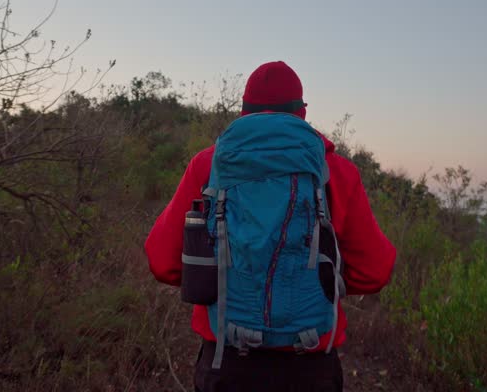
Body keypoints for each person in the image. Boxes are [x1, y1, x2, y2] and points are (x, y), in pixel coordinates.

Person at [145, 61, 396, 392]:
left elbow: (163, 261)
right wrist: (314, 281)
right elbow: (374, 271)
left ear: (243, 112)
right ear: (302, 113)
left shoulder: (209, 165)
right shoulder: (336, 172)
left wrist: (221, 282)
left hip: (227, 364)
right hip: (311, 370)